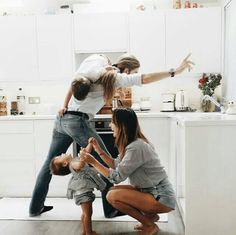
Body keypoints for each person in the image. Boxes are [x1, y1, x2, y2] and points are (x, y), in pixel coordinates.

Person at [29, 52, 193, 217]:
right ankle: (110, 209)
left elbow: (74, 83)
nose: (134, 76)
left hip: (62, 119)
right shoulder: (116, 78)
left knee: (47, 164)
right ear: (127, 70)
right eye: (134, 72)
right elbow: (146, 78)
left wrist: (64, 105)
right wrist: (175, 71)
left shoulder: (95, 71)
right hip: (78, 121)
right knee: (109, 165)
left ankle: (35, 208)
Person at [80, 108, 176, 235]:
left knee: (112, 196)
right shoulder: (133, 144)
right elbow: (115, 165)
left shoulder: (136, 147)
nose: (110, 125)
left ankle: (149, 225)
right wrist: (98, 149)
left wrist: (93, 162)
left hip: (161, 196)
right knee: (112, 191)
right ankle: (150, 216)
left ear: (122, 126)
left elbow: (116, 177)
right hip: (152, 191)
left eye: (112, 122)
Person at [50, 143, 105, 235]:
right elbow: (80, 164)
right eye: (60, 156)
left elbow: (86, 153)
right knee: (88, 214)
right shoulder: (73, 163)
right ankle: (89, 232)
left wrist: (90, 144)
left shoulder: (73, 161)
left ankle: (84, 231)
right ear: (65, 163)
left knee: (84, 213)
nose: (62, 153)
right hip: (83, 193)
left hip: (81, 192)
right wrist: (83, 157)